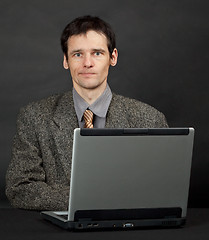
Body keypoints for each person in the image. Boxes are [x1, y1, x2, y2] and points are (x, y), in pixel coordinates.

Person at [5, 16, 168, 211]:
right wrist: (92, 198)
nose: (87, 63)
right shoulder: (33, 116)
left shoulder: (150, 118)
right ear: (65, 60)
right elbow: (20, 188)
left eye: (97, 53)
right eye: (77, 54)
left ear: (113, 57)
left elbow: (162, 187)